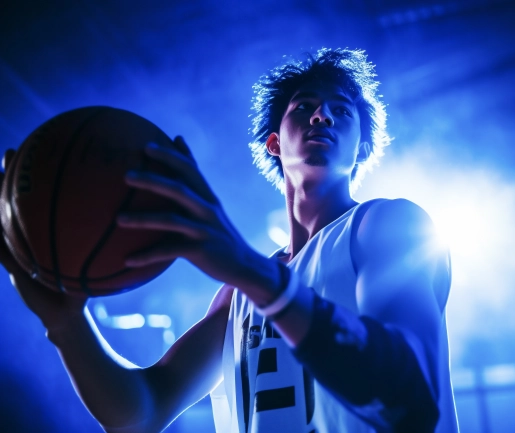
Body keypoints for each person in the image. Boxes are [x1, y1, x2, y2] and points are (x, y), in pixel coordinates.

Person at [0, 48, 458, 433]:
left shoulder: (389, 225)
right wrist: (66, 324)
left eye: (342, 110)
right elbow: (140, 413)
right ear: (275, 143)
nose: (323, 114)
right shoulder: (237, 295)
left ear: (360, 147)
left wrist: (250, 270)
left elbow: (412, 396)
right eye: (305, 106)